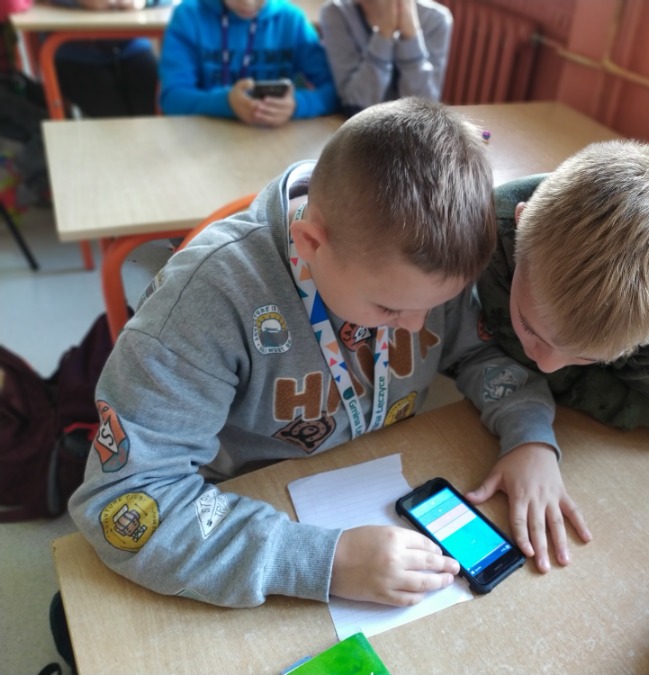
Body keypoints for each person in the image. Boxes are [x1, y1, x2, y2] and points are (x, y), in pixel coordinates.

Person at [68, 98, 590, 610]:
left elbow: (480, 355)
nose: (417, 325)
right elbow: (125, 501)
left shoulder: (424, 269)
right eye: (390, 308)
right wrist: (325, 563)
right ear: (311, 242)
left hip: (361, 486)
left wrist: (529, 438)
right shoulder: (205, 302)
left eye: (436, 306)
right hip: (238, 507)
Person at [474, 140, 649, 457]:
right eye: (528, 328)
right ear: (520, 224)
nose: (546, 365)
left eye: (588, 357)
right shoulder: (486, 231)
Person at [159, 0, 338, 125]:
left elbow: (336, 92)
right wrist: (226, 103)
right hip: (206, 138)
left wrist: (297, 104)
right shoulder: (188, 16)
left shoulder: (292, 20)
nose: (248, 2)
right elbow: (172, 98)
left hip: (276, 140)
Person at [319, 0, 451, 115]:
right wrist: (384, 34)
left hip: (411, 132)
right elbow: (354, 103)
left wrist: (411, 35)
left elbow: (425, 110)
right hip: (355, 127)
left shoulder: (436, 19)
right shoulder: (336, 12)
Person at [45, 0, 169, 117]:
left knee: (154, 111)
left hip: (132, 45)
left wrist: (145, 2)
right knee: (116, 121)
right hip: (74, 51)